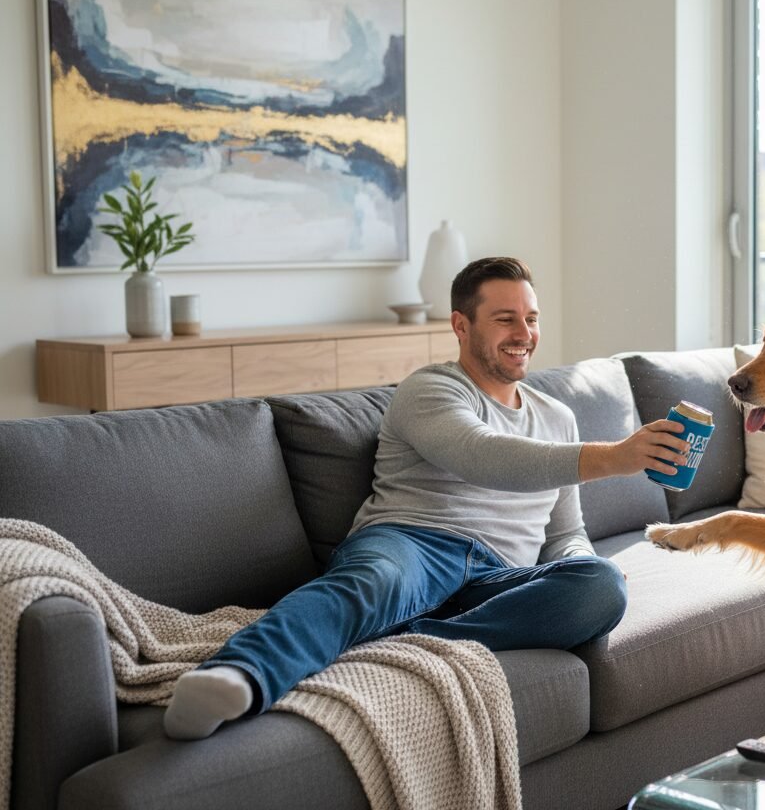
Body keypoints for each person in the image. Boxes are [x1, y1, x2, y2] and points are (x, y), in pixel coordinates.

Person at [164, 256, 689, 740]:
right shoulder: (431, 390)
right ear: (462, 325)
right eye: (505, 319)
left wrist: (578, 564)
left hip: (498, 581)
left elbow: (564, 533)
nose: (524, 334)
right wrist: (616, 458)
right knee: (373, 581)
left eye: (531, 318)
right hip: (412, 546)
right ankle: (240, 674)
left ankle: (407, 639)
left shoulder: (557, 416)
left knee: (601, 585)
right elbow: (483, 454)